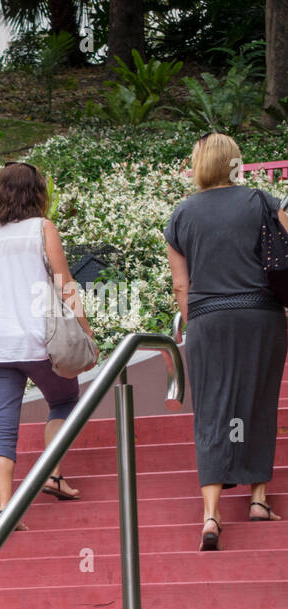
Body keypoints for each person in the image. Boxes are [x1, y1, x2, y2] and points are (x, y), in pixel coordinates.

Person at [165, 132, 288, 551]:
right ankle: (257, 499)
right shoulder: (260, 201)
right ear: (235, 162)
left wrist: (193, 322)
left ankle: (211, 515)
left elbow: (182, 286)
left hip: (207, 320)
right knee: (257, 402)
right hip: (260, 314)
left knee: (214, 410)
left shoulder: (181, 214)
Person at [0, 160, 96, 528]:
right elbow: (64, 283)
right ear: (37, 193)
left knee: (2, 425)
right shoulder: (42, 229)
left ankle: (7, 508)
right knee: (64, 400)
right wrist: (85, 331)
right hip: (37, 340)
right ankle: (52, 473)